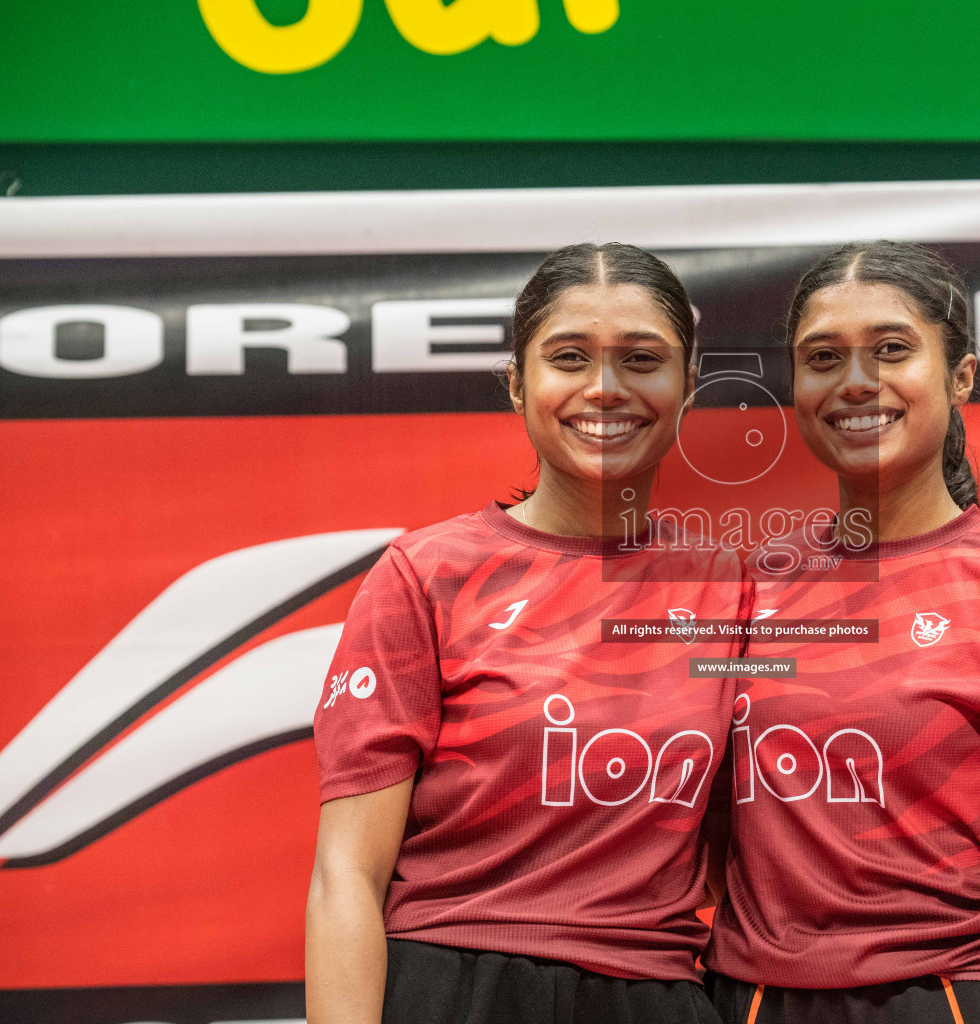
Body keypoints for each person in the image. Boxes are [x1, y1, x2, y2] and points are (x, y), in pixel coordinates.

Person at [305, 243, 750, 1024]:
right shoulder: (427, 574)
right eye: (569, 357)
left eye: (642, 359)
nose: (605, 389)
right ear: (517, 383)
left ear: (687, 384)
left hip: (656, 994)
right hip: (451, 987)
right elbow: (348, 873)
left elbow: (808, 791)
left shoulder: (736, 585)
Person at [705, 242, 980, 1024]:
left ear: (961, 375)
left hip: (957, 995)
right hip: (753, 999)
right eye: (824, 357)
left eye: (892, 349)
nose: (856, 382)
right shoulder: (741, 587)